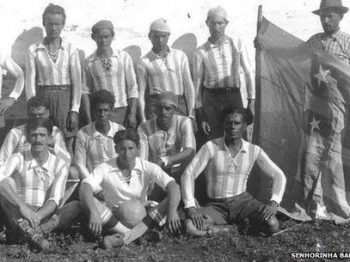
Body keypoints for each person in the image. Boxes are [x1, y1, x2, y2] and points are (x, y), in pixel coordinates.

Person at [181, 107, 286, 236]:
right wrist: (190, 205)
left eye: (237, 123)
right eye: (228, 123)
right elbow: (189, 173)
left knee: (273, 225)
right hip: (216, 205)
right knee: (190, 226)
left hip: (243, 203)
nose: (232, 126)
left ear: (244, 126)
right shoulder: (210, 147)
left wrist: (274, 202)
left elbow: (278, 175)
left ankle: (223, 230)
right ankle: (234, 229)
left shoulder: (253, 150)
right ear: (223, 125)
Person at [80, 129, 181, 248]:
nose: (127, 154)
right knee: (84, 197)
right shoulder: (105, 167)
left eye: (131, 149)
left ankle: (123, 238)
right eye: (122, 149)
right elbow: (86, 186)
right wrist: (93, 212)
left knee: (171, 198)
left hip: (141, 216)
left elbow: (173, 185)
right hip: (113, 218)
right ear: (116, 149)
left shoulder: (146, 166)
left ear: (138, 149)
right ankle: (136, 235)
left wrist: (173, 211)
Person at [0, 118, 80, 250]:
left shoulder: (59, 164)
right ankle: (35, 235)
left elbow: (55, 199)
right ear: (28, 138)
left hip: (45, 215)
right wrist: (23, 208)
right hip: (19, 214)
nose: (38, 139)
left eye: (42, 135)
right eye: (34, 135)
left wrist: (37, 216)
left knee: (76, 206)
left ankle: (32, 233)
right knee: (4, 185)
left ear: (50, 139)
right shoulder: (18, 158)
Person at [302, 0, 350, 218]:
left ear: (340, 17)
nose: (326, 20)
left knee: (333, 155)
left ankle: (339, 204)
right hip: (315, 108)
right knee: (312, 153)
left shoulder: (347, 42)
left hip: (338, 109)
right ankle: (314, 204)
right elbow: (292, 54)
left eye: (330, 16)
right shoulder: (314, 42)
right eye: (323, 16)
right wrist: (265, 45)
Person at [25, 4, 82, 154]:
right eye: (50, 23)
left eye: (58, 24)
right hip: (43, 97)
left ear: (63, 25)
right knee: (43, 136)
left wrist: (74, 109)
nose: (54, 28)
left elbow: (77, 82)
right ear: (44, 23)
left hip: (65, 96)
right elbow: (30, 81)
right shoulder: (34, 50)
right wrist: (32, 107)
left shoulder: (70, 49)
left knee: (68, 137)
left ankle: (68, 173)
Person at [192, 6, 255, 141]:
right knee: (214, 140)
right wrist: (201, 115)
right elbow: (196, 87)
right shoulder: (200, 52)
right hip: (211, 100)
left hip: (233, 96)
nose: (216, 27)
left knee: (238, 138)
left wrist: (251, 101)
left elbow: (249, 72)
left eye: (220, 23)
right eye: (213, 23)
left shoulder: (237, 44)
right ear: (207, 24)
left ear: (226, 24)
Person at [137, 18, 196, 125]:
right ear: (150, 36)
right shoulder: (144, 61)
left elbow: (188, 85)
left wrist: (191, 113)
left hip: (178, 103)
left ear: (168, 36)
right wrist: (143, 118)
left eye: (163, 36)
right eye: (156, 36)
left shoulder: (180, 56)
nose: (160, 40)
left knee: (180, 135)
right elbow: (141, 92)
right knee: (158, 138)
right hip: (156, 106)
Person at [138, 91, 196, 200]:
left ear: (175, 110)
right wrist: (149, 178)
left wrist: (165, 160)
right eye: (160, 108)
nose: (163, 112)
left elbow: (190, 151)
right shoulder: (144, 128)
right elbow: (142, 159)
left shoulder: (184, 122)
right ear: (155, 110)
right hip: (156, 172)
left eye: (167, 108)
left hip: (180, 171)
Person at [83, 20, 138, 128]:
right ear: (93, 37)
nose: (103, 41)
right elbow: (86, 91)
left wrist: (132, 113)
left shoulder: (123, 57)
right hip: (100, 112)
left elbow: (132, 87)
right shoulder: (88, 62)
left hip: (121, 109)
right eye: (99, 37)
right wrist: (89, 118)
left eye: (106, 37)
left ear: (112, 36)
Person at [0, 96, 69, 166]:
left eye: (40, 115)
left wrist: (54, 146)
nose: (37, 119)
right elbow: (2, 160)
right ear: (28, 114)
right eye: (33, 115)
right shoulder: (16, 133)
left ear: (48, 113)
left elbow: (66, 160)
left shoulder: (55, 132)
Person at [75, 90, 125, 180]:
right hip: (94, 181)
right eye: (99, 110)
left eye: (106, 110)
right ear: (93, 111)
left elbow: (125, 160)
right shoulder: (83, 133)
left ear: (111, 111)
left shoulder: (120, 130)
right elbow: (80, 163)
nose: (102, 114)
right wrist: (94, 186)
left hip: (117, 181)